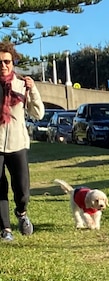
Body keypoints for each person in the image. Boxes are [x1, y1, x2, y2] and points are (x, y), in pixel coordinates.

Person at [0, 41, 43, 241]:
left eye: (6, 61)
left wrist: (33, 90)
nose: (3, 65)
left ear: (13, 62)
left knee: (22, 189)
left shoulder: (21, 84)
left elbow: (38, 113)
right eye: (0, 62)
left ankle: (22, 213)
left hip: (17, 144)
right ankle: (5, 229)